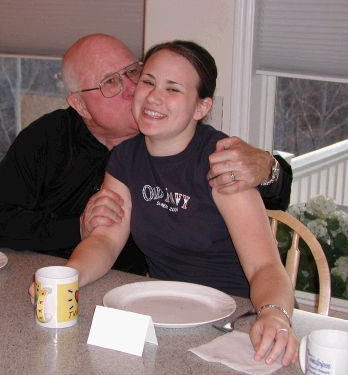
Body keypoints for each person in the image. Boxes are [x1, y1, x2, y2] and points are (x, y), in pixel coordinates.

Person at [39, 40, 298, 366]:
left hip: (239, 320)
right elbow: (105, 240)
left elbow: (265, 266)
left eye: (173, 89)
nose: (153, 97)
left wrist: (274, 315)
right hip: (165, 315)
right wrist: (67, 277)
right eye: (148, 81)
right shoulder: (125, 158)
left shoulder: (222, 161)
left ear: (201, 108)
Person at [0, 33, 292, 276]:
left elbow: (257, 199)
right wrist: (77, 228)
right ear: (80, 105)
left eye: (134, 72)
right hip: (69, 278)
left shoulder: (171, 134)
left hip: (146, 292)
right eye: (110, 82)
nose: (134, 89)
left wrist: (270, 168)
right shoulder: (48, 140)